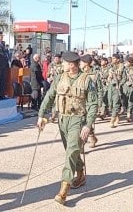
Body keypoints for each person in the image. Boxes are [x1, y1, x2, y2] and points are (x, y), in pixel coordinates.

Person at [37, 51, 97, 205]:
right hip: (63, 120)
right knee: (71, 150)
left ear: (71, 65)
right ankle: (80, 172)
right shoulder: (59, 78)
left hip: (77, 120)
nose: (61, 64)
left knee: (71, 151)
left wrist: (88, 125)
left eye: (64, 63)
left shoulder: (86, 81)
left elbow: (92, 104)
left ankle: (64, 188)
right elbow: (50, 96)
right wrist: (41, 115)